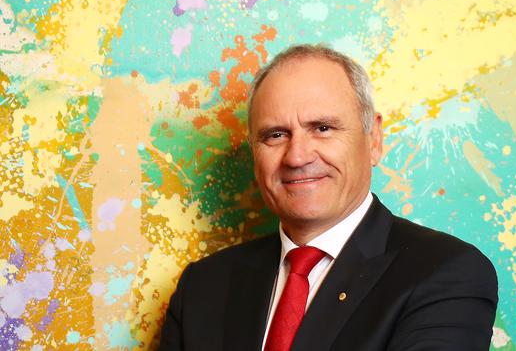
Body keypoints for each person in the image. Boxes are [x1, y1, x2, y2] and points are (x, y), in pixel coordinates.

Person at [159, 44, 498, 350]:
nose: (297, 157)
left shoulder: (446, 273)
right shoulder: (203, 287)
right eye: (275, 135)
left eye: (323, 128)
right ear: (254, 151)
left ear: (374, 139)